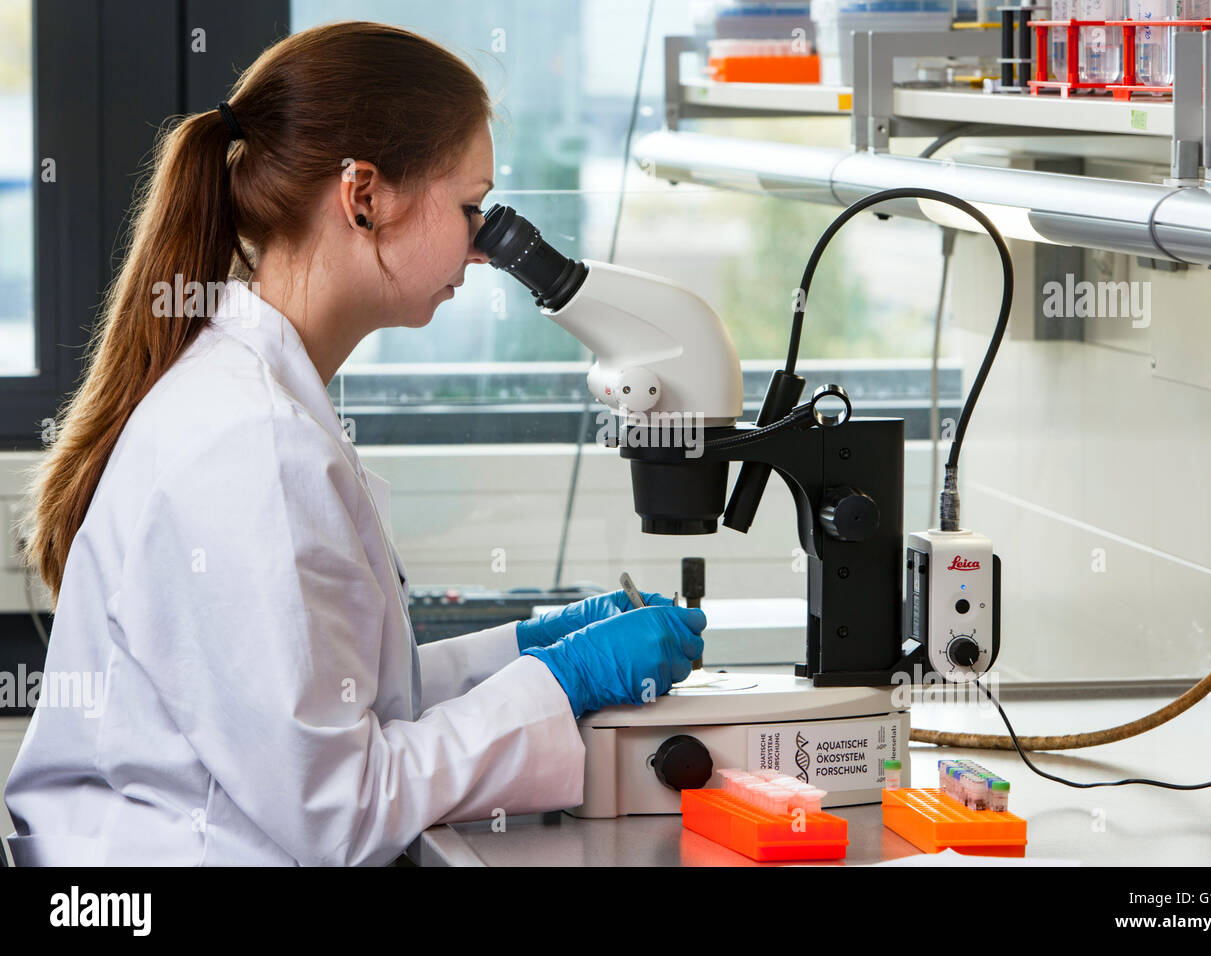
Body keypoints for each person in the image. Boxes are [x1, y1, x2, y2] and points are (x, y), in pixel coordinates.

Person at [4, 21, 705, 867]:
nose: (484, 248)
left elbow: (338, 703)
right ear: (363, 196)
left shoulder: (254, 397)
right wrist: (563, 682)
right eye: (469, 205)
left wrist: (524, 648)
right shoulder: (251, 447)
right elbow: (341, 806)